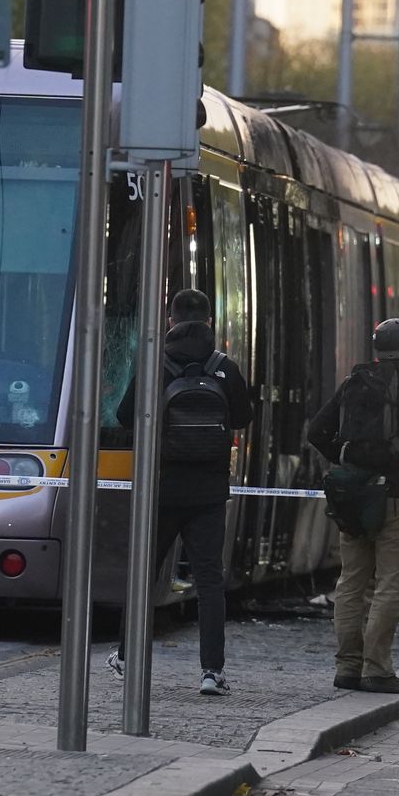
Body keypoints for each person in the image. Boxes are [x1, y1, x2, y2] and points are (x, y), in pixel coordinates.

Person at [112, 289, 254, 696]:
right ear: (210, 322)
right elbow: (243, 417)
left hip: (161, 488)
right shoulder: (224, 367)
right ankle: (212, 671)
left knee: (144, 574)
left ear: (170, 320)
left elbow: (125, 416)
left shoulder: (155, 365)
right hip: (209, 492)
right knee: (209, 581)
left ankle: (126, 656)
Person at [307, 318, 399, 693]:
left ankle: (347, 667)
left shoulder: (353, 384)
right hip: (398, 501)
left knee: (351, 582)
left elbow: (315, 432)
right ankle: (377, 669)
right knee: (390, 584)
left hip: (353, 498)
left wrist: (345, 458)